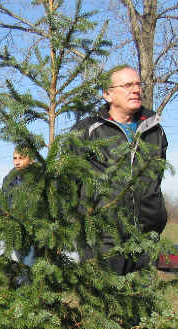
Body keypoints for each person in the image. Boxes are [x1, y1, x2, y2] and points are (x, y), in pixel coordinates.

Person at [71, 65, 168, 275]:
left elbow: (157, 177)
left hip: (146, 237)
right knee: (106, 305)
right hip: (102, 239)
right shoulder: (88, 130)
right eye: (126, 85)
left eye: (137, 84)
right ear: (107, 94)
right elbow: (67, 182)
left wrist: (156, 217)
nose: (135, 90)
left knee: (142, 304)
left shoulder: (154, 130)